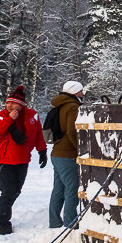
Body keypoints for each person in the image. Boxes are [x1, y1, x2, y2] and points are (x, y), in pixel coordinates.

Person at [0, 85, 47, 235]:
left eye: (13, 103)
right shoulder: (0, 116)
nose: (10, 106)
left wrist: (42, 151)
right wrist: (8, 119)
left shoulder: (32, 116)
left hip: (23, 160)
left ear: (21, 105)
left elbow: (38, 134)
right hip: (4, 161)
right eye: (8, 103)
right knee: (7, 192)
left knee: (16, 191)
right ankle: (2, 224)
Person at [48, 80, 85, 228]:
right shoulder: (73, 107)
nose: (83, 94)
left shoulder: (60, 105)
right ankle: (71, 223)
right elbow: (72, 131)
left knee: (59, 189)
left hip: (56, 153)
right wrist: (80, 150)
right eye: (81, 91)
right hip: (67, 155)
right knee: (72, 188)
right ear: (75, 91)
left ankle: (55, 221)